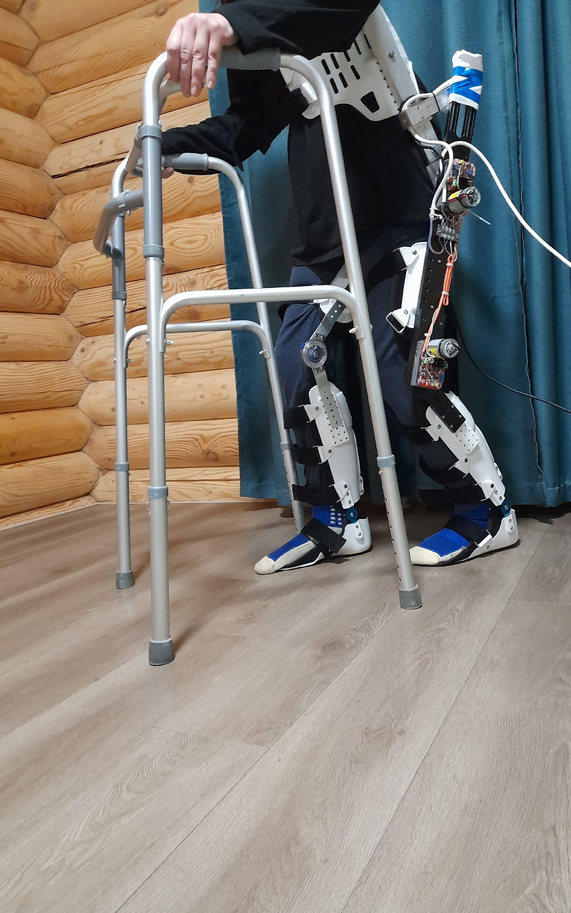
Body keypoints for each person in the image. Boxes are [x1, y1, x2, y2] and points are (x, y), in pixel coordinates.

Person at [161, 0, 519, 573]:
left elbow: (345, 9)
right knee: (293, 368)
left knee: (407, 372)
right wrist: (167, 143)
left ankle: (488, 510)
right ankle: (338, 520)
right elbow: (250, 120)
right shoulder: (240, 12)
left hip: (397, 207)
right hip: (325, 228)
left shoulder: (254, 16)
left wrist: (231, 25)